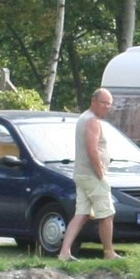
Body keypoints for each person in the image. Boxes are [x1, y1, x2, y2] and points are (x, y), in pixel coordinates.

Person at [57, 88, 120, 261]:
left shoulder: (83, 118)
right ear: (94, 101)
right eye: (104, 103)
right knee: (107, 214)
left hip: (81, 174)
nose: (107, 107)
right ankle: (109, 253)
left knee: (82, 213)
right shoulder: (92, 121)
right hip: (93, 176)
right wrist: (101, 174)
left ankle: (64, 252)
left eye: (109, 104)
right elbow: (92, 150)